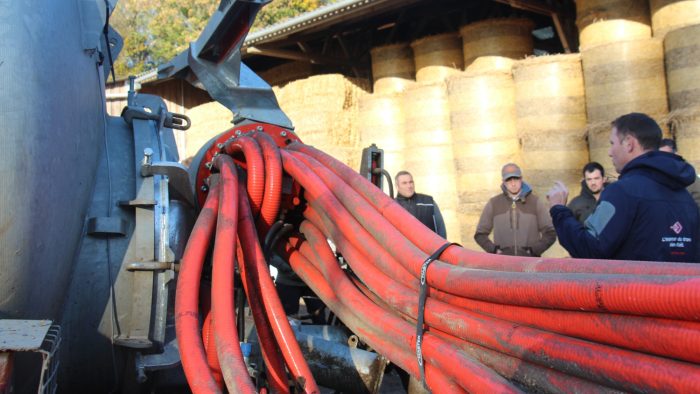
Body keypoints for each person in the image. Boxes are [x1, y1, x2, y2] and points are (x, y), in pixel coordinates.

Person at [548, 112, 700, 262]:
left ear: (629, 143)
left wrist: (559, 210)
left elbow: (591, 248)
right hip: (680, 286)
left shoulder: (622, 192)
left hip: (634, 286)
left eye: (612, 143)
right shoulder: (685, 196)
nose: (609, 152)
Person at [474, 163, 556, 256]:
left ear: (521, 178)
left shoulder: (535, 202)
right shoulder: (494, 203)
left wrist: (533, 251)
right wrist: (495, 251)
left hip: (530, 264)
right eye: (508, 180)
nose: (513, 184)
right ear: (503, 182)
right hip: (503, 264)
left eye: (516, 178)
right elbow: (480, 235)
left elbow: (550, 233)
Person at [394, 170, 447, 238]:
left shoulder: (429, 202)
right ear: (397, 186)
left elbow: (441, 230)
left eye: (411, 182)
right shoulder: (392, 206)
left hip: (430, 247)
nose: (409, 186)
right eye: (404, 183)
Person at [659, 138, 700, 208]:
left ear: (676, 154)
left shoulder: (689, 176)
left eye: (667, 155)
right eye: (660, 155)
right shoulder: (653, 175)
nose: (664, 159)